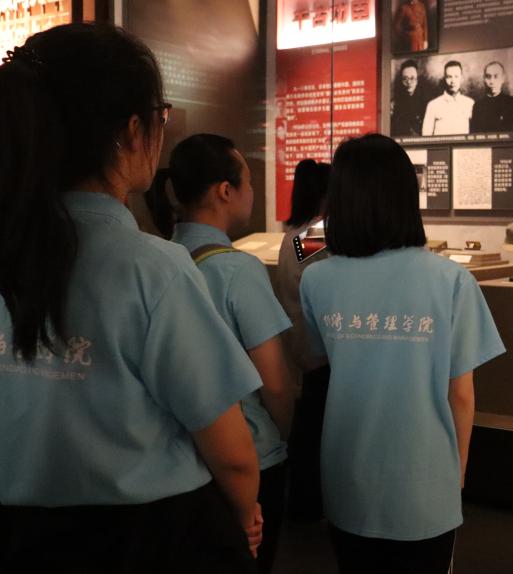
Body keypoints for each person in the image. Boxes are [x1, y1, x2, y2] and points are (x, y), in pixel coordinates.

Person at [0, 23, 262, 572]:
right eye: (160, 116)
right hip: (145, 541)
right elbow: (233, 453)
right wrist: (243, 518)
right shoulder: (153, 268)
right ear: (132, 130)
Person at [300, 134, 505, 573]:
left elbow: (319, 368)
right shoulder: (451, 281)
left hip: (346, 479)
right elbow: (461, 395)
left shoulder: (316, 280)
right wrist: (456, 476)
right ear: (406, 196)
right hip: (425, 485)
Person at [147, 134, 294, 574]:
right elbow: (275, 384)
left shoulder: (156, 261)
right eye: (248, 181)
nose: (252, 191)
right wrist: (286, 435)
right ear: (225, 191)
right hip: (249, 455)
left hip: (180, 458)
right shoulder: (241, 268)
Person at [276, 159, 332, 521]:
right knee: (314, 425)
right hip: (318, 348)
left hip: (303, 343)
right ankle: (308, 500)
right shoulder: (314, 235)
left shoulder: (293, 234)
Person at [422, 60, 474, 136]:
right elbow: (426, 135)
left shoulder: (470, 103)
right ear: (444, 78)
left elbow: (475, 135)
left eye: (456, 76)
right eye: (449, 77)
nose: (452, 81)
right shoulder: (433, 105)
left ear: (461, 78)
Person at [470, 61, 513, 134]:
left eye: (496, 76)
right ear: (484, 79)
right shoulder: (478, 105)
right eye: (488, 77)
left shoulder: (512, 103)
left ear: (503, 79)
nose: (492, 81)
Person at [390, 60, 429, 137]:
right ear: (401, 81)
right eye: (405, 79)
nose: (409, 82)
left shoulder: (426, 102)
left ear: (417, 80)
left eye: (412, 78)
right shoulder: (394, 104)